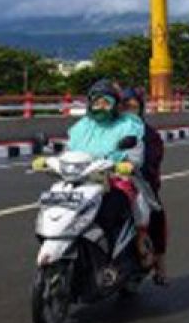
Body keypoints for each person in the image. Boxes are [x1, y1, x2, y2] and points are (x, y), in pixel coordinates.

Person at [43, 79, 151, 264]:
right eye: (96, 101)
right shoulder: (82, 127)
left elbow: (135, 152)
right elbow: (69, 150)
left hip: (113, 177)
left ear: (115, 105)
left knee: (125, 201)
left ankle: (140, 238)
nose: (100, 106)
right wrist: (50, 160)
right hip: (81, 178)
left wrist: (127, 163)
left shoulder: (129, 125)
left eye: (106, 102)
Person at [121, 86, 169, 285]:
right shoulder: (107, 129)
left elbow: (151, 161)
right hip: (104, 178)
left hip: (138, 180)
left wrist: (132, 168)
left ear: (140, 109)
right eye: (124, 107)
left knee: (156, 213)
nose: (128, 111)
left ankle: (160, 264)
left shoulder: (148, 134)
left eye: (133, 107)